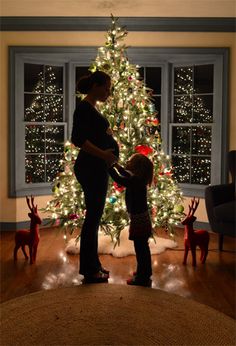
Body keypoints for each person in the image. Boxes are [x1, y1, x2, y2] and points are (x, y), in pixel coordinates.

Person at [71, 70, 119, 283]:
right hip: (90, 168)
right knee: (92, 219)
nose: (109, 92)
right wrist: (104, 154)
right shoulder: (83, 108)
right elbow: (78, 139)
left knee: (94, 218)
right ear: (95, 86)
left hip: (97, 167)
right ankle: (90, 270)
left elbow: (96, 136)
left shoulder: (91, 108)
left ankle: (94, 265)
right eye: (106, 88)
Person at [109, 153, 154, 287]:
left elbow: (119, 178)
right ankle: (145, 271)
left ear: (136, 167)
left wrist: (109, 167)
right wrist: (116, 165)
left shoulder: (135, 181)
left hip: (139, 221)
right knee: (142, 249)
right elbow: (125, 173)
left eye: (130, 162)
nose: (127, 162)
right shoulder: (138, 179)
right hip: (141, 219)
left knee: (141, 250)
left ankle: (142, 277)